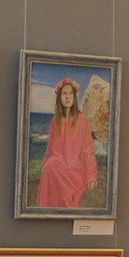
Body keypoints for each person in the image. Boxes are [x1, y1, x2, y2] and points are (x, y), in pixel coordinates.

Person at [35, 78, 98, 208]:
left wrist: (92, 174)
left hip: (76, 167)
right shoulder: (55, 121)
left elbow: (88, 148)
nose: (68, 97)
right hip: (59, 163)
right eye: (64, 93)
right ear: (59, 97)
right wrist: (47, 163)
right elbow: (51, 149)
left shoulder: (82, 119)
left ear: (75, 96)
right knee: (49, 167)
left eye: (70, 93)